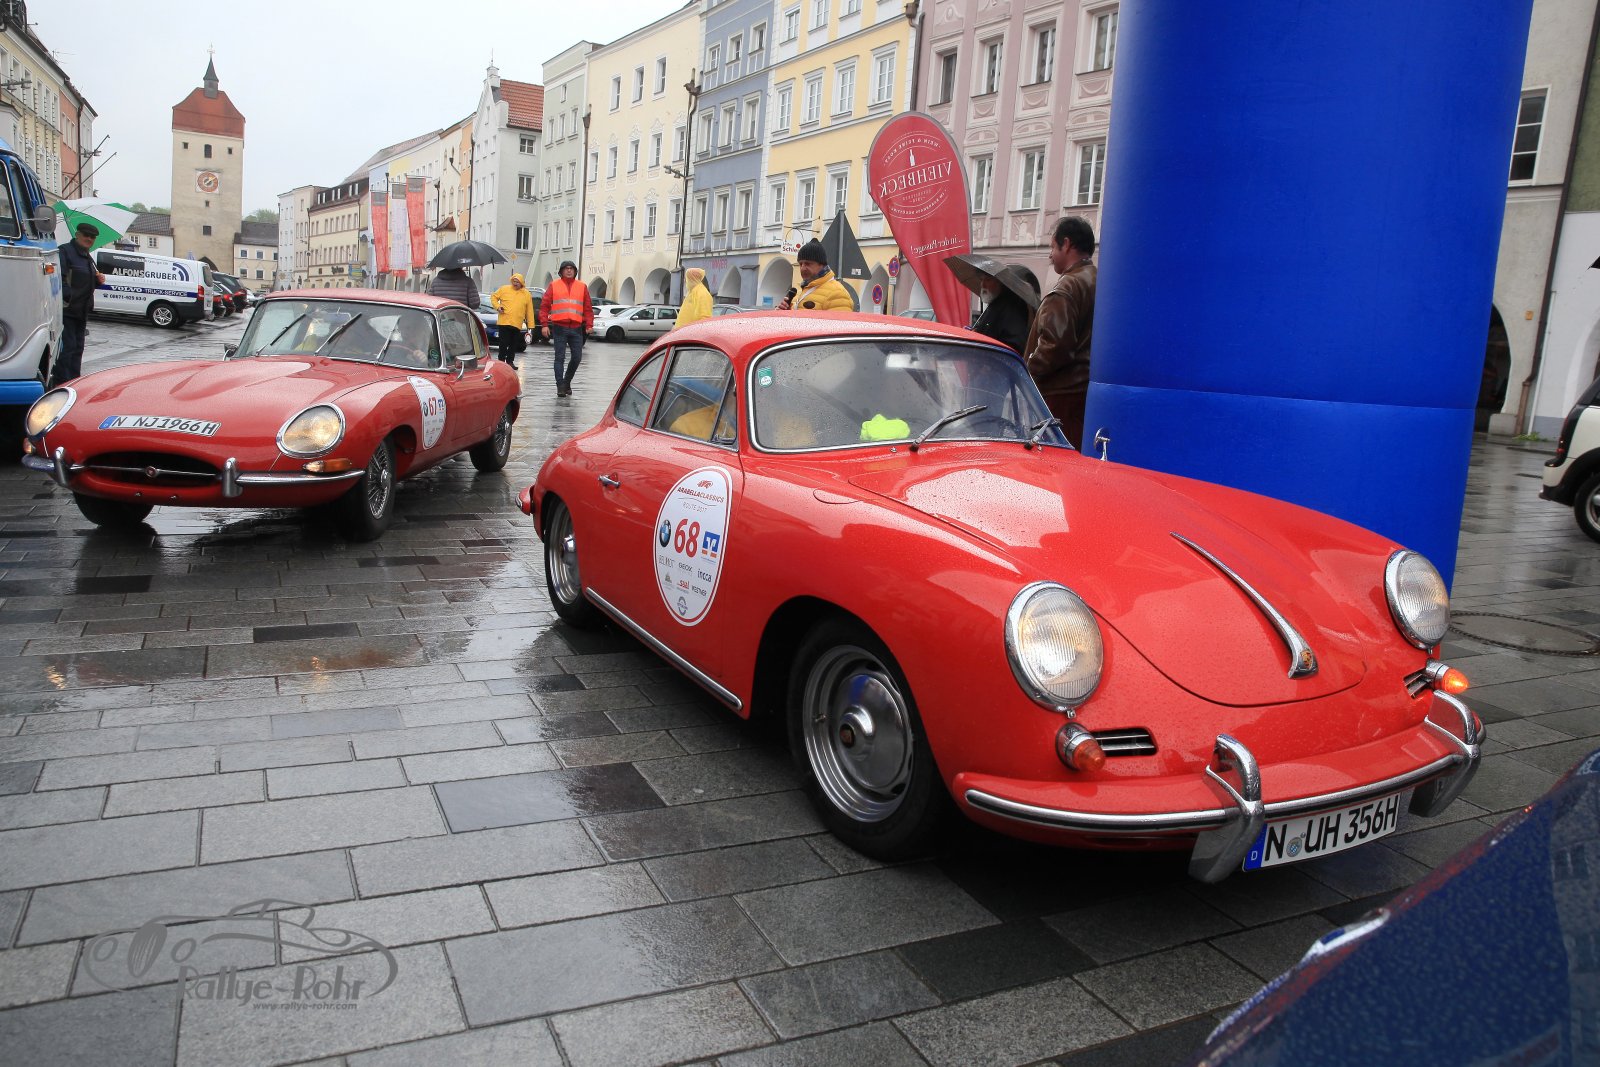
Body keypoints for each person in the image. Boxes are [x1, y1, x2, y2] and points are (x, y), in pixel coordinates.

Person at [1023, 217, 1097, 448]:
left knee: (1053, 459)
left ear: (1066, 244)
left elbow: (1055, 347)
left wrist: (1026, 372)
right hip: (1086, 393)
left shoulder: (1066, 287)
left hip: (1060, 396)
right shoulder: (1100, 281)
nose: (1050, 255)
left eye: (1052, 247)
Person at [51, 222, 104, 388]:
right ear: (77, 235)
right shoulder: (65, 251)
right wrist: (70, 297)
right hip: (67, 310)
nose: (89, 239)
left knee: (77, 349)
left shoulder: (88, 257)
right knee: (67, 349)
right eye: (86, 235)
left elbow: (86, 282)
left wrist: (98, 281)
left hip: (82, 311)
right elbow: (59, 279)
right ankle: (61, 384)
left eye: (92, 237)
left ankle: (74, 383)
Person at [539, 260, 593, 397]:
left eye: (571, 268)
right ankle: (560, 386)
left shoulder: (582, 286)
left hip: (576, 328)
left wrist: (589, 324)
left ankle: (566, 382)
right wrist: (544, 325)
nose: (569, 270)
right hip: (559, 327)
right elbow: (544, 306)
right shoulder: (554, 285)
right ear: (561, 271)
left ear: (575, 271)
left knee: (577, 357)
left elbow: (588, 308)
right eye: (566, 268)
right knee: (560, 358)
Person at [972, 265, 1040, 355]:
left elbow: (1011, 344)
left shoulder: (1010, 308)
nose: (982, 285)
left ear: (1001, 283)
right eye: (981, 280)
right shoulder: (997, 303)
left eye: (988, 280)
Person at [776, 239, 854, 311]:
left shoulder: (837, 293)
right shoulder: (799, 292)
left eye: (808, 264)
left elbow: (840, 322)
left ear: (822, 264)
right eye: (801, 264)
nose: (803, 268)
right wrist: (786, 313)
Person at [490, 273, 535, 368]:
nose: (515, 283)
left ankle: (510, 361)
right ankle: (501, 361)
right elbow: (493, 297)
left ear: (521, 283)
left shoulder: (526, 294)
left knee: (513, 344)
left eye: (517, 282)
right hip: (504, 322)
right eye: (514, 281)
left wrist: (530, 326)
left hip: (517, 323)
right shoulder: (504, 289)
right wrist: (498, 307)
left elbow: (529, 311)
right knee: (503, 343)